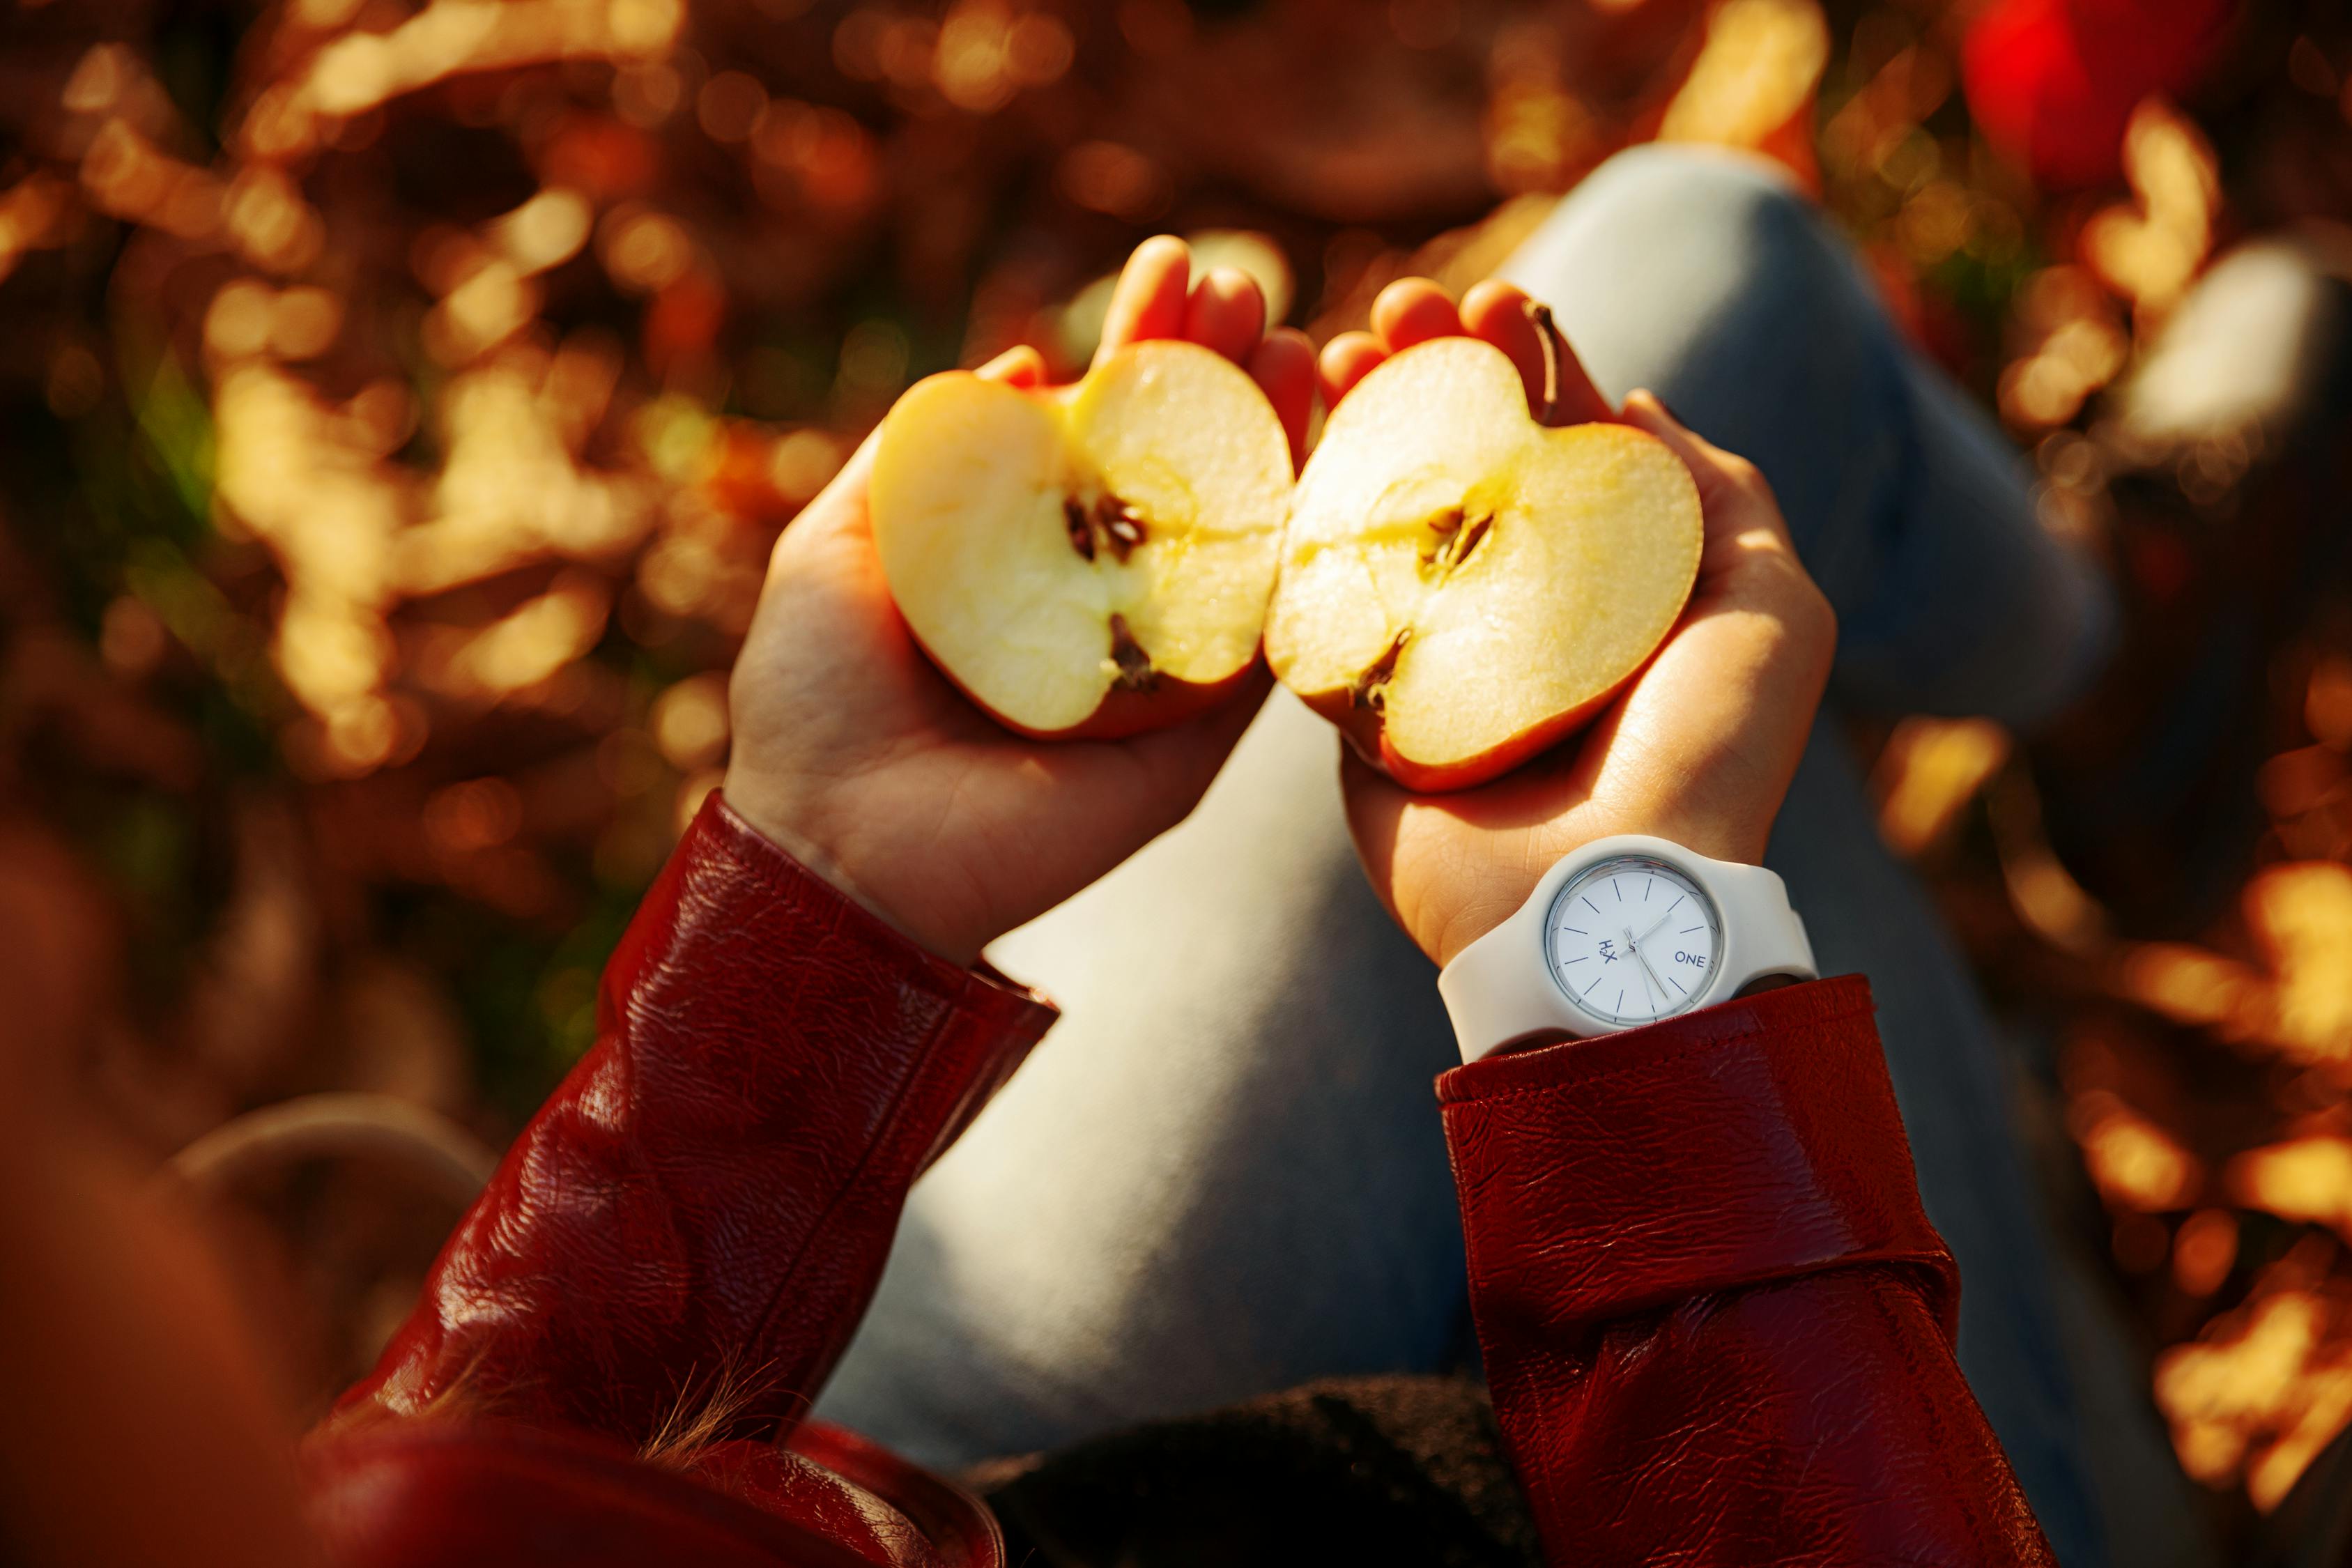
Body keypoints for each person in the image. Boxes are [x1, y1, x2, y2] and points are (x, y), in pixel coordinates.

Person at [0, 146, 2149, 1567]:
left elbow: (475, 1501)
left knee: (1703, 248)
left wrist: (820, 898)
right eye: (71, 1100)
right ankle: (2127, 721)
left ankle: (2099, 666)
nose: (49, 922)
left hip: (938, 1503)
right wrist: (1624, 973)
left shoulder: (353, 1530)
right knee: (1735, 292)